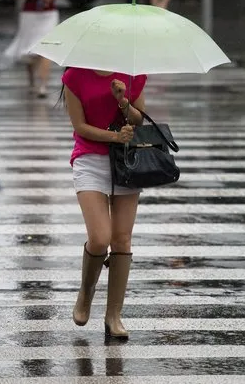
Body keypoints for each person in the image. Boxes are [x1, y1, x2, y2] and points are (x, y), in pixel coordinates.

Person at [60, 67, 147, 340]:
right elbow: (79, 126)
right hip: (89, 161)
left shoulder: (132, 74)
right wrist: (113, 136)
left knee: (121, 239)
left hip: (126, 161)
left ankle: (114, 316)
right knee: (99, 238)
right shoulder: (74, 76)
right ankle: (86, 293)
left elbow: (139, 120)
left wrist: (123, 102)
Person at [3, 0, 63, 98]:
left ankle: (43, 85)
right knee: (30, 50)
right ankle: (32, 82)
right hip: (30, 15)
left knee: (46, 49)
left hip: (49, 14)